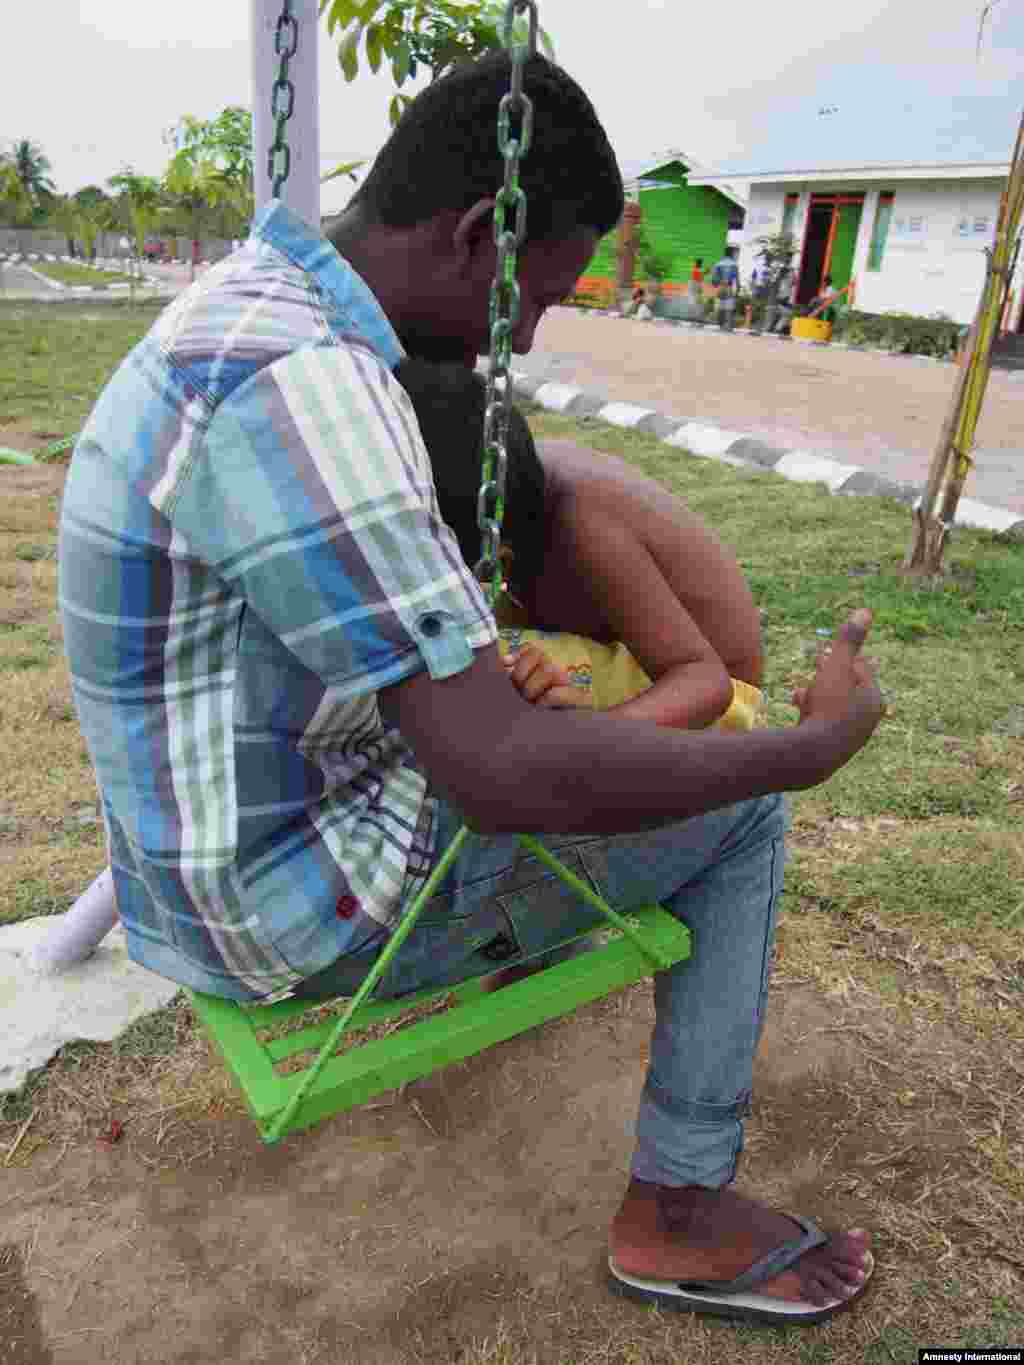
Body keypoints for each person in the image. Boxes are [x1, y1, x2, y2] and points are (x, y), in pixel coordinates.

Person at [58, 51, 882, 1323]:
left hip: (203, 853)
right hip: (276, 912)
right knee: (746, 817)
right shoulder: (307, 385)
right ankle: (675, 1210)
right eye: (538, 296)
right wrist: (804, 753)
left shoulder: (250, 310)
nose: (535, 335)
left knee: (586, 742)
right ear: (476, 234)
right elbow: (501, 778)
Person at [758, 260, 797, 336]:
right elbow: (782, 295)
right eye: (790, 274)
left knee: (784, 314)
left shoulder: (777, 279)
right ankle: (776, 329)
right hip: (775, 303)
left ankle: (775, 329)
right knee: (786, 314)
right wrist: (786, 303)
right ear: (787, 274)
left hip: (774, 303)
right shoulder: (782, 281)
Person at [710, 247, 739, 330]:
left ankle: (721, 325)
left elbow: (714, 279)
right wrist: (738, 289)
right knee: (728, 307)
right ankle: (727, 325)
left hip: (720, 286)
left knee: (720, 306)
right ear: (732, 254)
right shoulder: (734, 264)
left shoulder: (718, 264)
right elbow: (736, 278)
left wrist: (715, 284)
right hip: (729, 287)